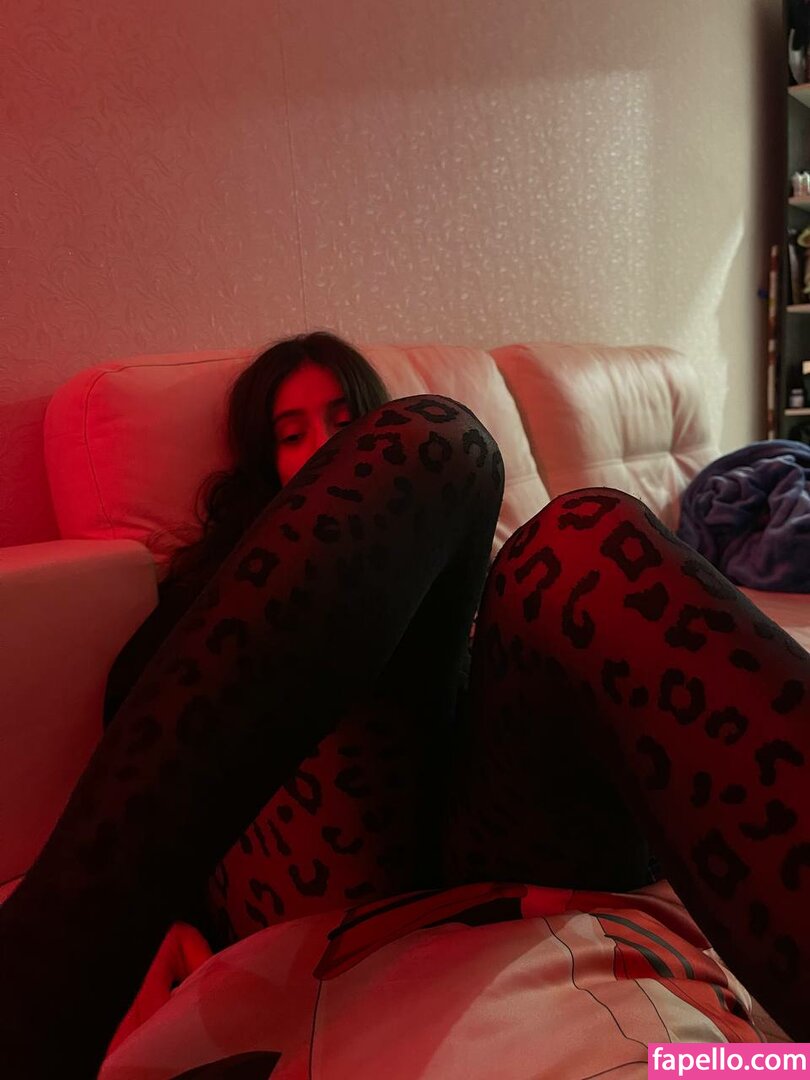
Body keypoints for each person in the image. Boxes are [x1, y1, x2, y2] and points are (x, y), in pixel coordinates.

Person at [1, 333, 807, 1077]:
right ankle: (33, 992)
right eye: (292, 433)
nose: (324, 445)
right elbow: (142, 712)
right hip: (333, 856)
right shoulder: (216, 586)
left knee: (584, 536)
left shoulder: (476, 568)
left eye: (342, 421)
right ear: (261, 462)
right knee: (440, 440)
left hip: (483, 829)